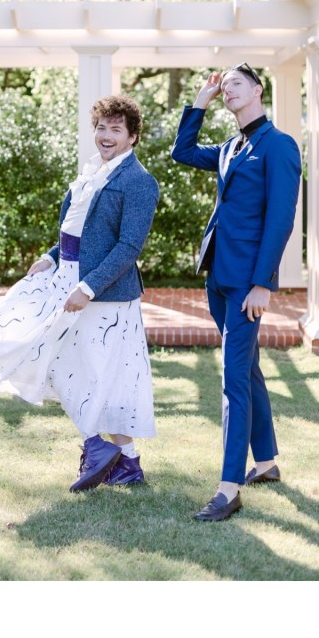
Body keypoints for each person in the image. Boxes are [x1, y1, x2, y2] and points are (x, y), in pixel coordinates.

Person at [0, 94, 160, 493]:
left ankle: (103, 450)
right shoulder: (92, 172)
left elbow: (129, 246)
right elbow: (76, 229)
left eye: (116, 129)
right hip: (67, 279)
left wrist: (88, 287)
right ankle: (123, 460)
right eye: (101, 127)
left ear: (132, 137)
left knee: (90, 372)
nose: (106, 135)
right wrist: (50, 257)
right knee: (67, 366)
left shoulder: (139, 181)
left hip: (105, 295)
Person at [171, 63, 301, 522]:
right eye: (224, 87)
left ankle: (229, 488)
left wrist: (264, 283)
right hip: (218, 276)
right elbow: (182, 152)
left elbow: (281, 218)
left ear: (258, 89)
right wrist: (200, 102)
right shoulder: (229, 147)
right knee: (248, 368)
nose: (228, 90)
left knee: (233, 379)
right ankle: (265, 462)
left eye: (236, 84)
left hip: (248, 283)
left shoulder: (279, 145)